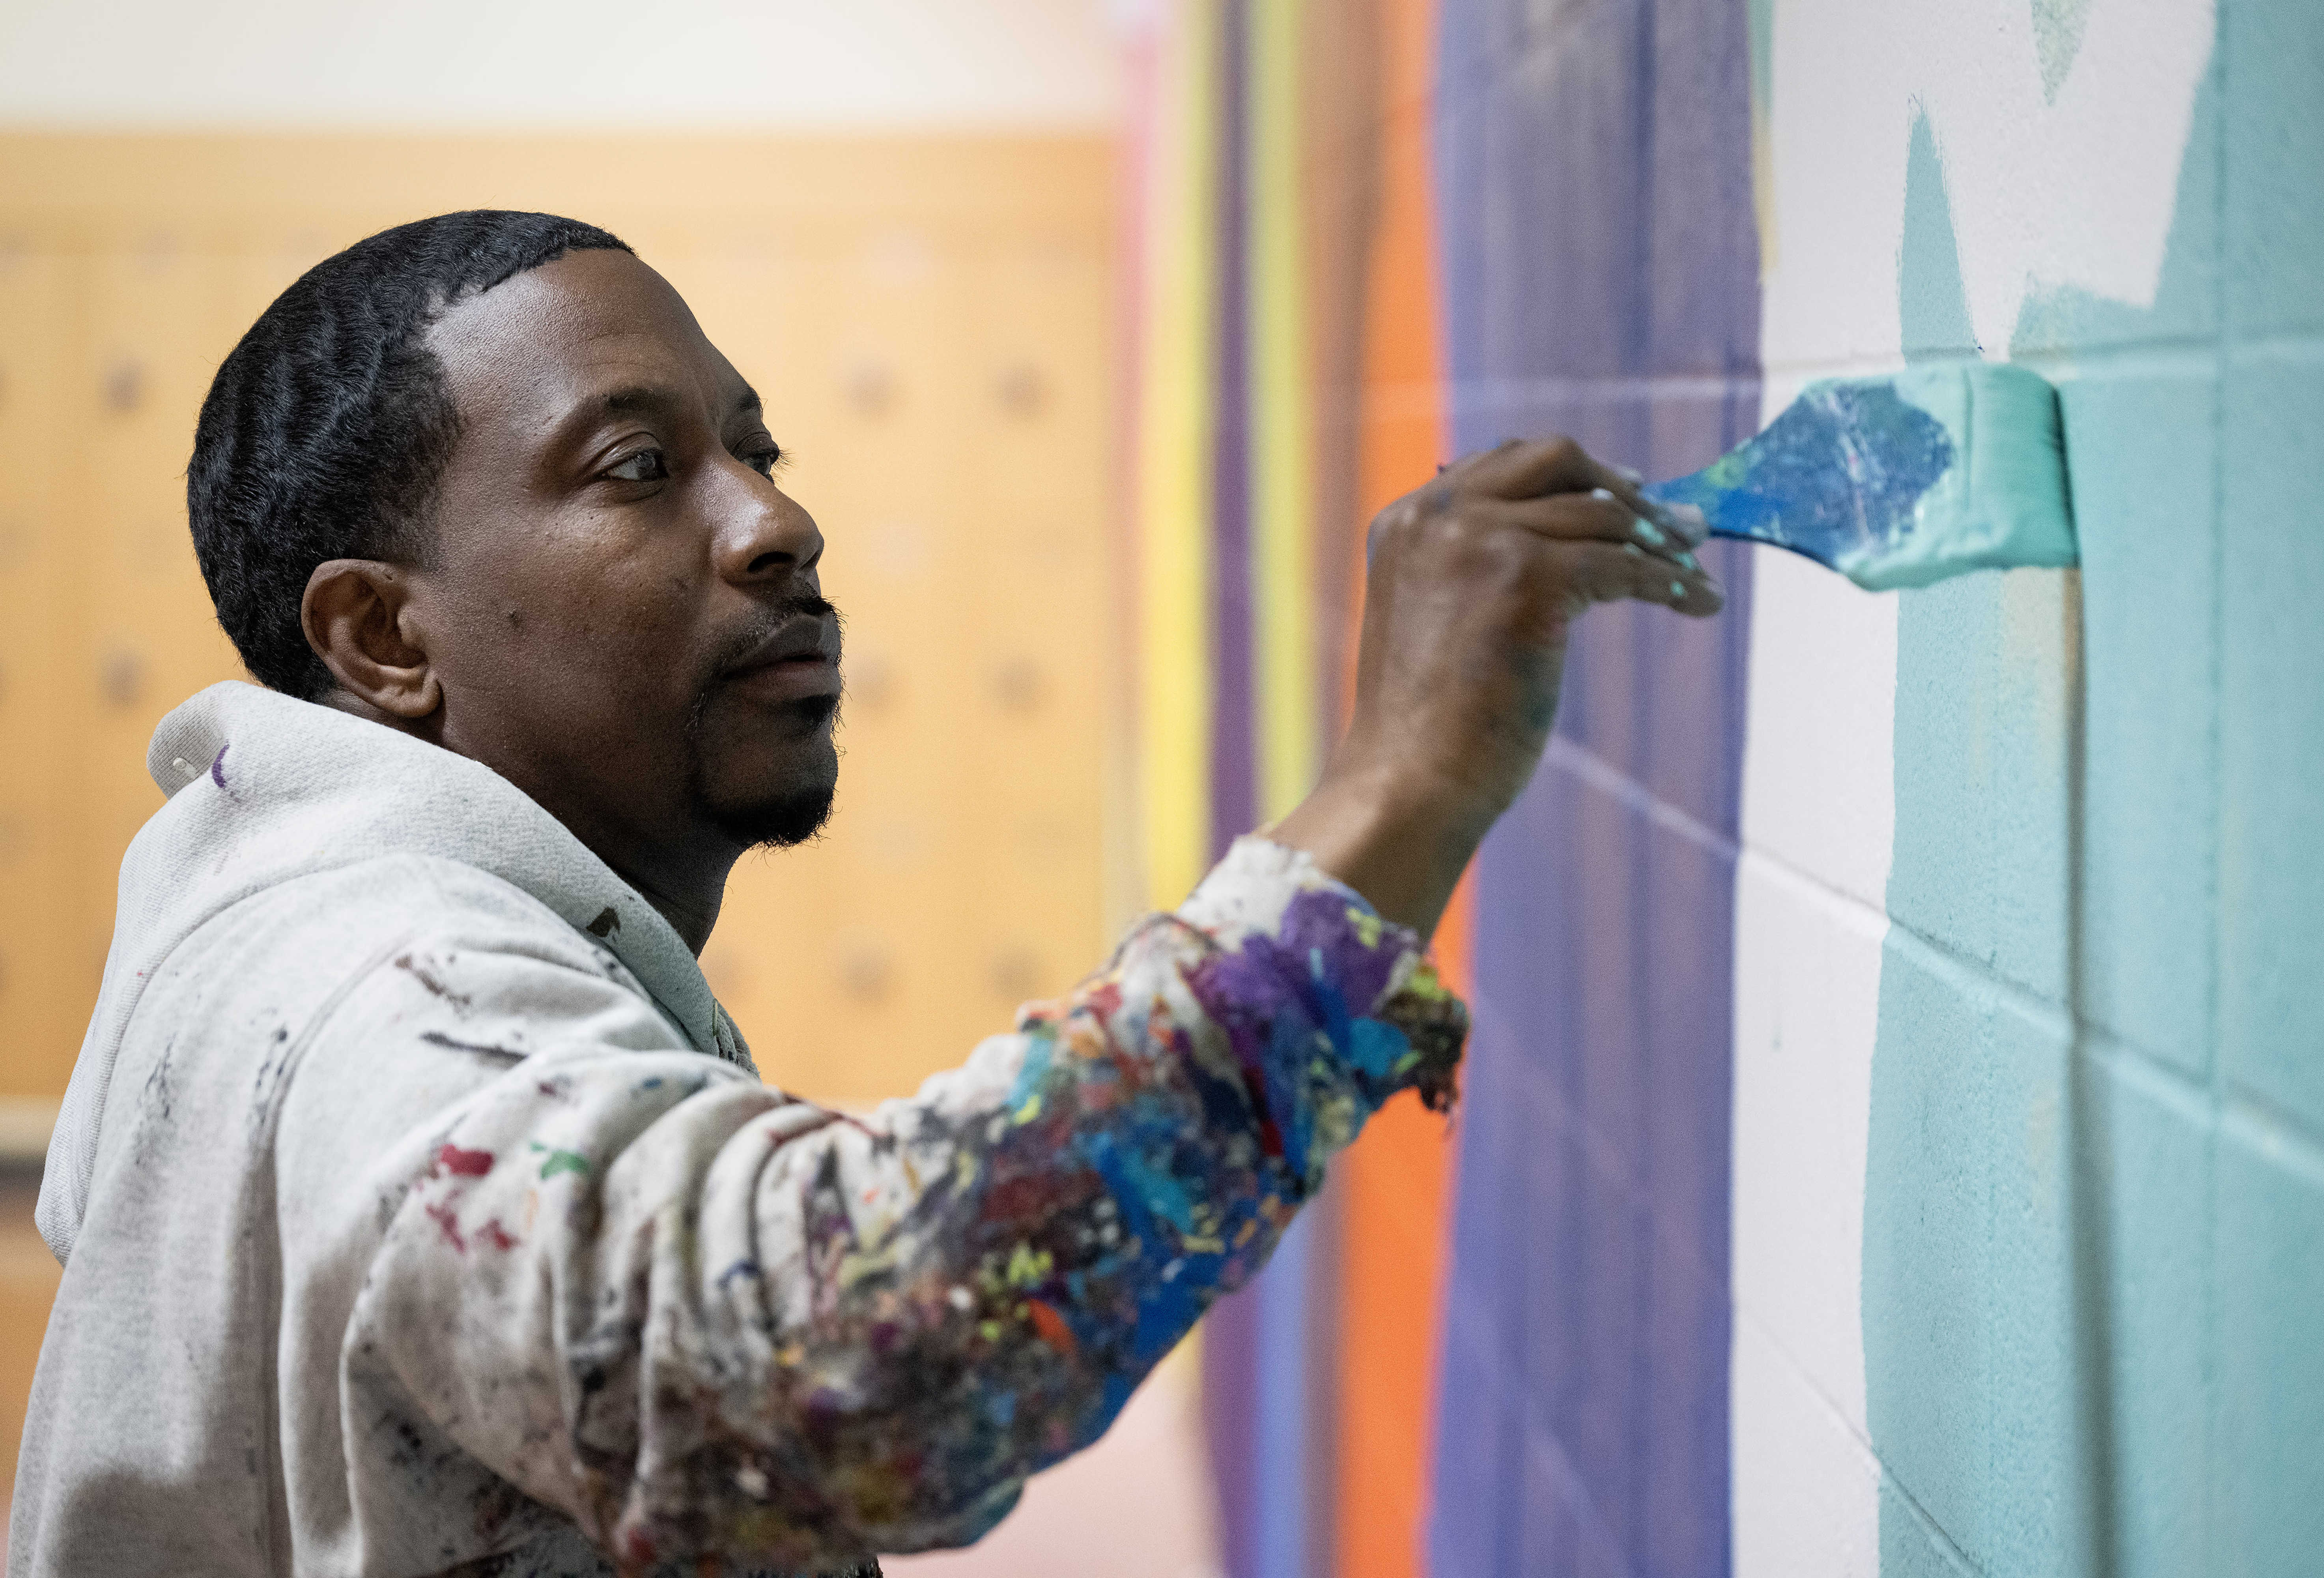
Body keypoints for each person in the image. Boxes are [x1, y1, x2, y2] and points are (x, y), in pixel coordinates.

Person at [10, 210, 1720, 1578]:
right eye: (634, 468)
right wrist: (1399, 788)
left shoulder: (305, 919)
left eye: (755, 450)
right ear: (384, 639)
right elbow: (863, 1360)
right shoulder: (387, 998)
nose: (777, 523)